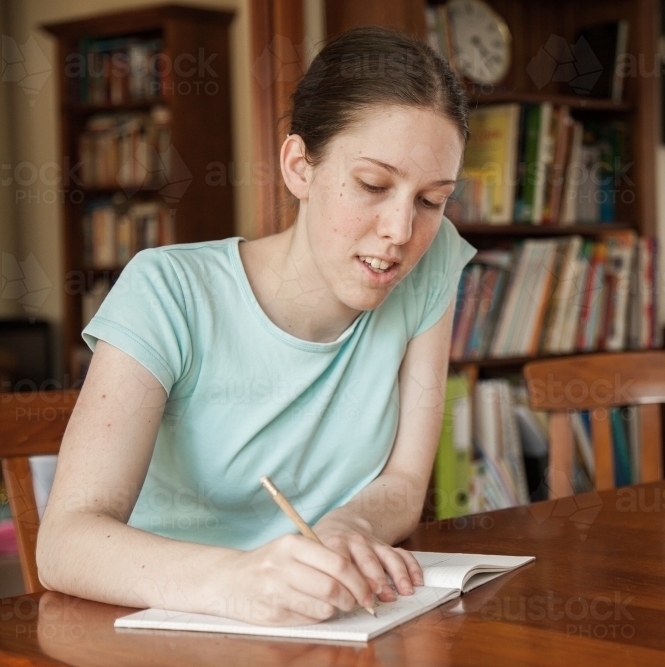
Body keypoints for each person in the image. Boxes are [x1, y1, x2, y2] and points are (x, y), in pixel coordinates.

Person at [36, 26, 477, 626]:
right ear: (299, 167)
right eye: (373, 185)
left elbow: (404, 479)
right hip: (170, 627)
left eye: (432, 199)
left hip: (335, 626)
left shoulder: (434, 259)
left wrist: (348, 526)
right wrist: (241, 581)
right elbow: (65, 543)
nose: (402, 231)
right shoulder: (169, 291)